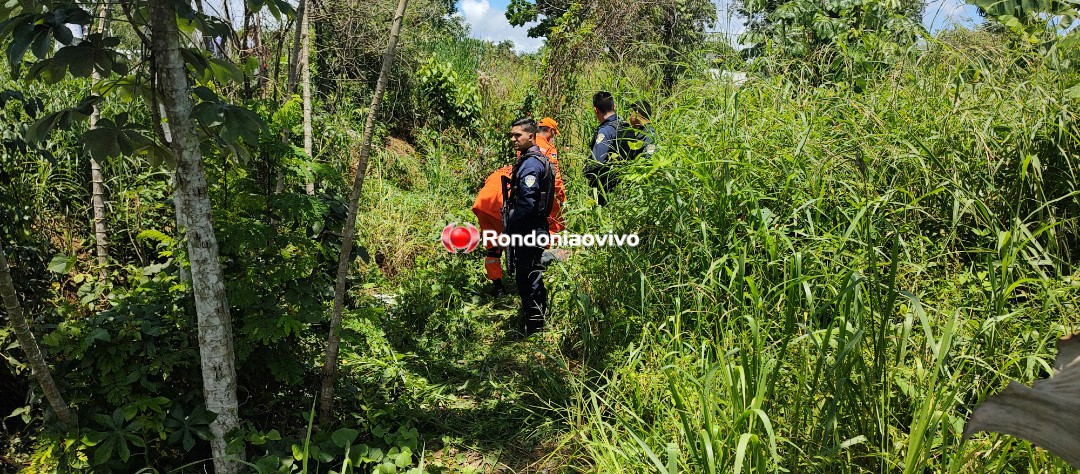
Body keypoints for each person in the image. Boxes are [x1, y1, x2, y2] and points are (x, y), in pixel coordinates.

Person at [471, 117, 565, 296]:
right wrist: (561, 203)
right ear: (551, 131)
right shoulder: (540, 156)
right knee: (516, 242)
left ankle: (497, 287)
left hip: (481, 205)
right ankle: (523, 274)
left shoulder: (513, 166)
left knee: (492, 248)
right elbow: (552, 184)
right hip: (499, 207)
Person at [503, 117, 555, 336]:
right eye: (512, 135)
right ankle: (537, 320)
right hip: (532, 227)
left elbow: (527, 202)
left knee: (527, 277)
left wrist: (509, 227)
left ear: (531, 136)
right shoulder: (531, 159)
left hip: (529, 229)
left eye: (518, 135)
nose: (513, 139)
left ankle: (533, 327)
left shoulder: (532, 163)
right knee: (531, 274)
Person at [584, 91, 626, 205]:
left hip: (606, 191)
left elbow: (597, 162)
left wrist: (587, 170)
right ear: (614, 106)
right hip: (625, 188)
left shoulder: (605, 131)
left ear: (595, 110)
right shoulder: (625, 125)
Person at [535, 117, 566, 233]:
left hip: (524, 192)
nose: (553, 137)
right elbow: (555, 177)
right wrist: (562, 198)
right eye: (553, 133)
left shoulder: (527, 143)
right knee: (557, 224)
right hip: (543, 193)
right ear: (549, 130)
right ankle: (549, 248)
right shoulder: (549, 149)